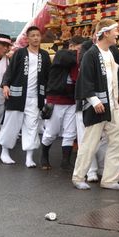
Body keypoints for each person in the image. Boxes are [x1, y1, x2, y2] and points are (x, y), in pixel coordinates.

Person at [72, 19, 119, 190]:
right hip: (98, 107)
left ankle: (110, 179)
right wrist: (94, 101)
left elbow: (109, 81)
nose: (117, 34)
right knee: (90, 143)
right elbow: (85, 80)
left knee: (118, 140)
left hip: (113, 106)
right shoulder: (91, 54)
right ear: (106, 33)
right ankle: (78, 177)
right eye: (115, 31)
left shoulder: (111, 52)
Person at [0, 26, 52, 167]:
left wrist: (48, 95)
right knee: (11, 124)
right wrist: (5, 84)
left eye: (38, 35)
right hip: (17, 95)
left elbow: (48, 76)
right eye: (32, 35)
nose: (36, 38)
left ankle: (29, 157)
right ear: (27, 38)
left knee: (32, 126)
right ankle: (4, 152)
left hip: (36, 97)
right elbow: (10, 71)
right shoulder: (20, 53)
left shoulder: (44, 55)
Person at [40, 35, 83, 170]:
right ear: (71, 46)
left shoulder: (79, 61)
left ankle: (66, 161)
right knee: (51, 132)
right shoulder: (61, 55)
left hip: (71, 100)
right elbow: (68, 58)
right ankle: (44, 155)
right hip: (56, 99)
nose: (80, 53)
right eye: (79, 49)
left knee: (70, 132)